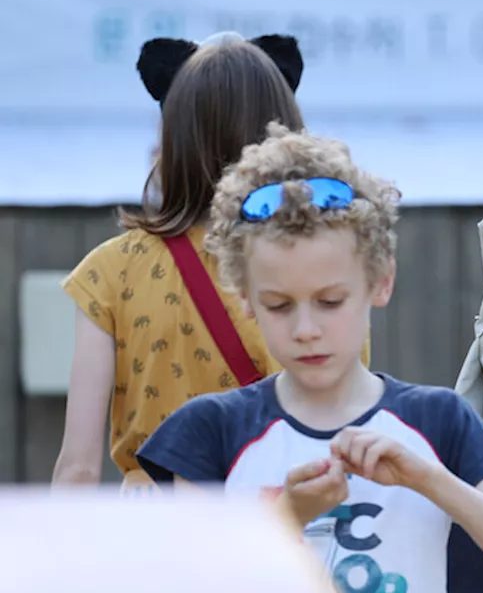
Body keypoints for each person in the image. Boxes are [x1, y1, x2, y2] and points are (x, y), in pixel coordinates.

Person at [135, 123, 483, 593]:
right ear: (245, 297)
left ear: (380, 281)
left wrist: (426, 477)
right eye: (279, 306)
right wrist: (286, 518)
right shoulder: (210, 430)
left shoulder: (435, 419)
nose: (306, 327)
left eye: (330, 301)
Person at [52, 33, 312, 490]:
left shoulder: (108, 272)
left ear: (173, 134)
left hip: (158, 535)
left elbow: (78, 467)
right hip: (284, 524)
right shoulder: (324, 261)